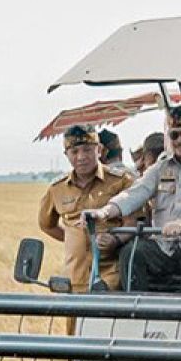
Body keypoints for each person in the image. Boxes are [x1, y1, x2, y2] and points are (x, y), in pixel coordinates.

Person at [85, 106, 181, 292]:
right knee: (131, 253)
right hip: (164, 246)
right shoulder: (160, 168)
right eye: (174, 136)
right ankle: (137, 312)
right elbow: (135, 193)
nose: (180, 141)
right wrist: (104, 212)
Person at [39, 124, 138, 290]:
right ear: (67, 155)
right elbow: (46, 225)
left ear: (99, 150)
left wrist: (115, 240)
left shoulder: (121, 181)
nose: (81, 157)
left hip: (110, 278)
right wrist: (74, 238)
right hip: (73, 279)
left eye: (87, 150)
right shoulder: (57, 189)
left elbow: (133, 222)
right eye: (74, 152)